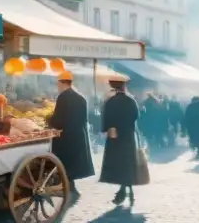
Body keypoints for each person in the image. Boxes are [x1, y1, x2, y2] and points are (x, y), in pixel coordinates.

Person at [47, 70, 95, 196]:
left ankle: (65, 184)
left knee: (63, 159)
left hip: (66, 135)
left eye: (58, 83)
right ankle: (70, 185)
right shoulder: (81, 97)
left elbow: (58, 118)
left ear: (61, 83)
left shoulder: (63, 97)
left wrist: (48, 120)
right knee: (73, 160)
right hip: (78, 134)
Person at [100, 74, 141, 207]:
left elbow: (105, 118)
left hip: (114, 137)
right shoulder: (131, 100)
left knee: (118, 165)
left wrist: (108, 128)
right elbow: (136, 116)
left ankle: (123, 190)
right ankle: (126, 190)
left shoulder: (110, 101)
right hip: (128, 136)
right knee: (128, 163)